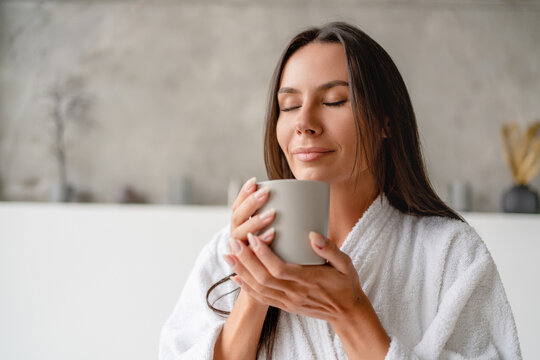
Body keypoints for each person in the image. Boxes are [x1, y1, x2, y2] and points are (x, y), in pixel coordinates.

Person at [159, 22, 521, 360]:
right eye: (289, 106)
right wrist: (255, 294)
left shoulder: (450, 252)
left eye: (333, 100)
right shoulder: (233, 248)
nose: (304, 124)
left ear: (385, 121)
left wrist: (351, 313)